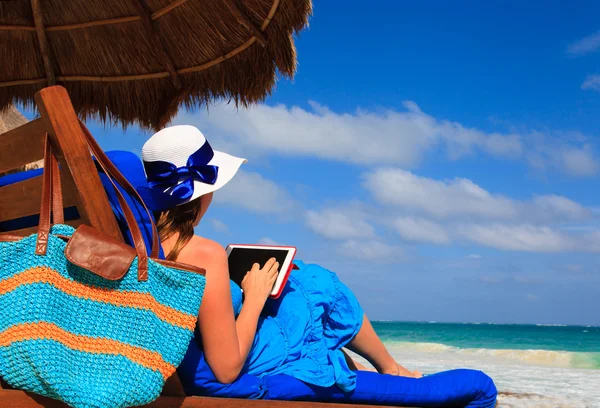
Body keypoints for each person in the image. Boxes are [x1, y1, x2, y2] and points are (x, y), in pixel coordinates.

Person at [138, 125, 497, 407]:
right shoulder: (203, 253)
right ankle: (389, 368)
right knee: (315, 282)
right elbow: (227, 369)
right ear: (203, 191)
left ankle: (383, 366)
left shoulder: (144, 245)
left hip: (217, 346)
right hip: (253, 365)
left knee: (303, 280)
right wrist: (255, 297)